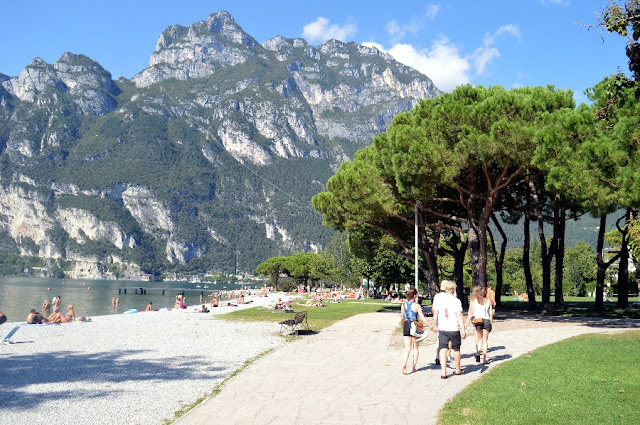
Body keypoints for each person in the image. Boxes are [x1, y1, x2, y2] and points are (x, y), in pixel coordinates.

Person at [432, 280, 466, 379]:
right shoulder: (456, 301)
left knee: (443, 348)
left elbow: (435, 314)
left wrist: (435, 325)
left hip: (443, 327)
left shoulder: (439, 300)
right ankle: (457, 369)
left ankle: (443, 372)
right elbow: (460, 316)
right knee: (456, 348)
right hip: (453, 328)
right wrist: (463, 330)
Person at [401, 288, 437, 375]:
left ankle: (404, 364)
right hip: (415, 325)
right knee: (416, 348)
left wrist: (403, 326)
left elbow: (402, 317)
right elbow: (423, 318)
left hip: (406, 325)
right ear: (415, 295)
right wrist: (431, 327)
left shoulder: (403, 305)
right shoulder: (417, 306)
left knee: (407, 348)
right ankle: (414, 367)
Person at [467, 286, 494, 365]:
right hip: (486, 320)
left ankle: (478, 353)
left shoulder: (474, 301)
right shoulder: (488, 301)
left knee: (479, 339)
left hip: (477, 320)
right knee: (485, 341)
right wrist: (491, 323)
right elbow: (490, 313)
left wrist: (467, 322)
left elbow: (471, 311)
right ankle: (484, 359)